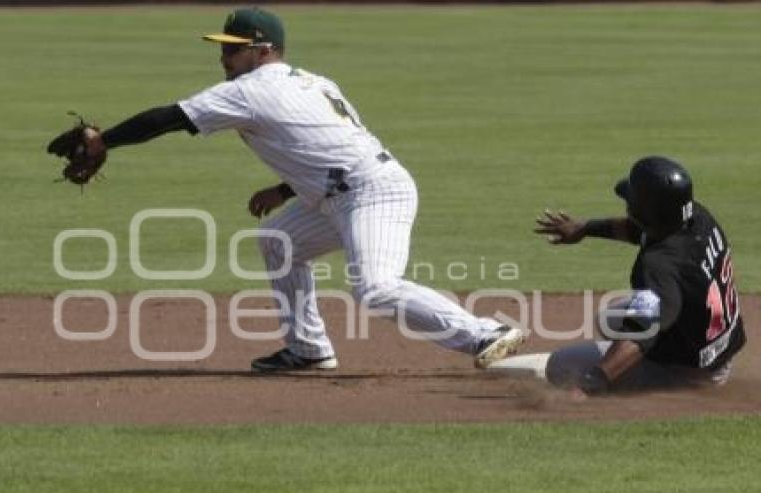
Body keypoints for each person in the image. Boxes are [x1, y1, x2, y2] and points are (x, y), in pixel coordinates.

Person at [48, 7, 523, 372]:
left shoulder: (250, 88)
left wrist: (103, 140)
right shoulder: (313, 81)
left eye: (232, 48)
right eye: (223, 47)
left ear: (262, 50)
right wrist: (284, 189)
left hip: (373, 194)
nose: (223, 57)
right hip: (347, 190)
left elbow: (168, 118)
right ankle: (309, 351)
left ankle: (483, 333)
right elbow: (329, 144)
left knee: (374, 287)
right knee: (279, 245)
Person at [535, 156, 746, 395]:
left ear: (643, 212)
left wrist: (592, 381)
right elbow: (639, 230)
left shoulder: (658, 266)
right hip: (721, 344)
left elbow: (640, 334)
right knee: (611, 316)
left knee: (561, 366)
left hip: (692, 372)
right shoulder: (697, 217)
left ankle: (677, 387)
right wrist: (586, 228)